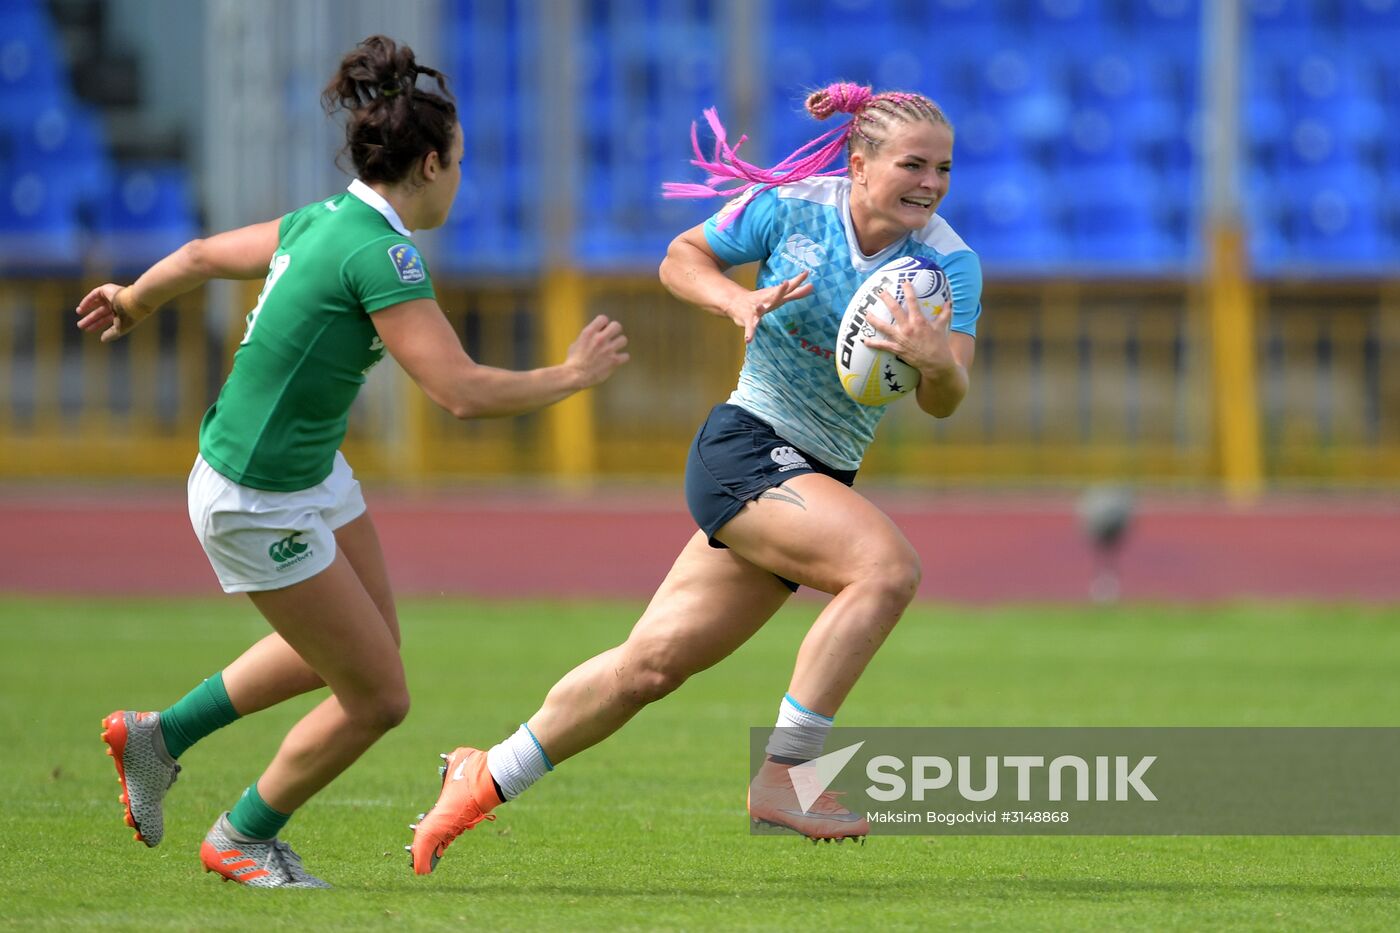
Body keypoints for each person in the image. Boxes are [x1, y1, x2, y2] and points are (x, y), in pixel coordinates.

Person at [78, 35, 628, 889]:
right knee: (378, 697)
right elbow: (460, 393)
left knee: (364, 648)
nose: (461, 180)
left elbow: (193, 258)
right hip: (256, 495)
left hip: (302, 473)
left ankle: (161, 735)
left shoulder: (319, 221)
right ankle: (241, 837)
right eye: (460, 165)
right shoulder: (383, 252)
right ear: (433, 162)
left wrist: (133, 298)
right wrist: (572, 375)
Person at [405, 80, 981, 872]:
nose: (932, 183)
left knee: (648, 666)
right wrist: (734, 303)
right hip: (745, 447)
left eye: (945, 168)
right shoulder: (793, 207)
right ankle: (787, 771)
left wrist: (932, 361)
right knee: (886, 569)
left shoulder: (949, 265)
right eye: (914, 164)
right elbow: (683, 257)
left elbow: (950, 398)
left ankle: (485, 772)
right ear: (858, 161)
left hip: (816, 479)